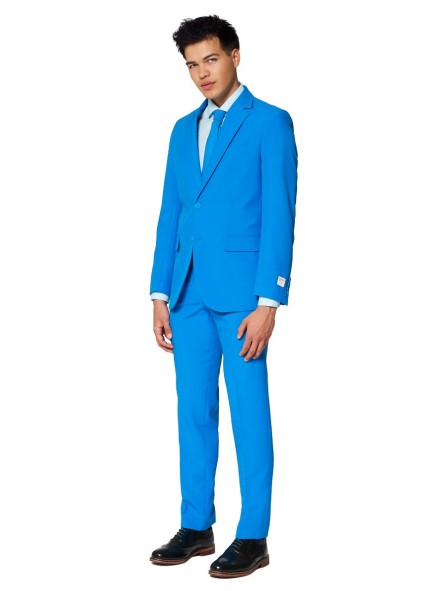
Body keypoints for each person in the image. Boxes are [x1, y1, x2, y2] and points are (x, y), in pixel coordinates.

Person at [149, 15, 298, 579]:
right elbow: (172, 213)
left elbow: (280, 214)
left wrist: (269, 301)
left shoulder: (270, 122)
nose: (202, 73)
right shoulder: (181, 130)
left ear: (234, 55)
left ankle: (253, 534)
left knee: (249, 413)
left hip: (242, 300)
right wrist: (160, 291)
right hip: (186, 294)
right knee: (193, 411)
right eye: (192, 64)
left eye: (210, 59)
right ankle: (196, 525)